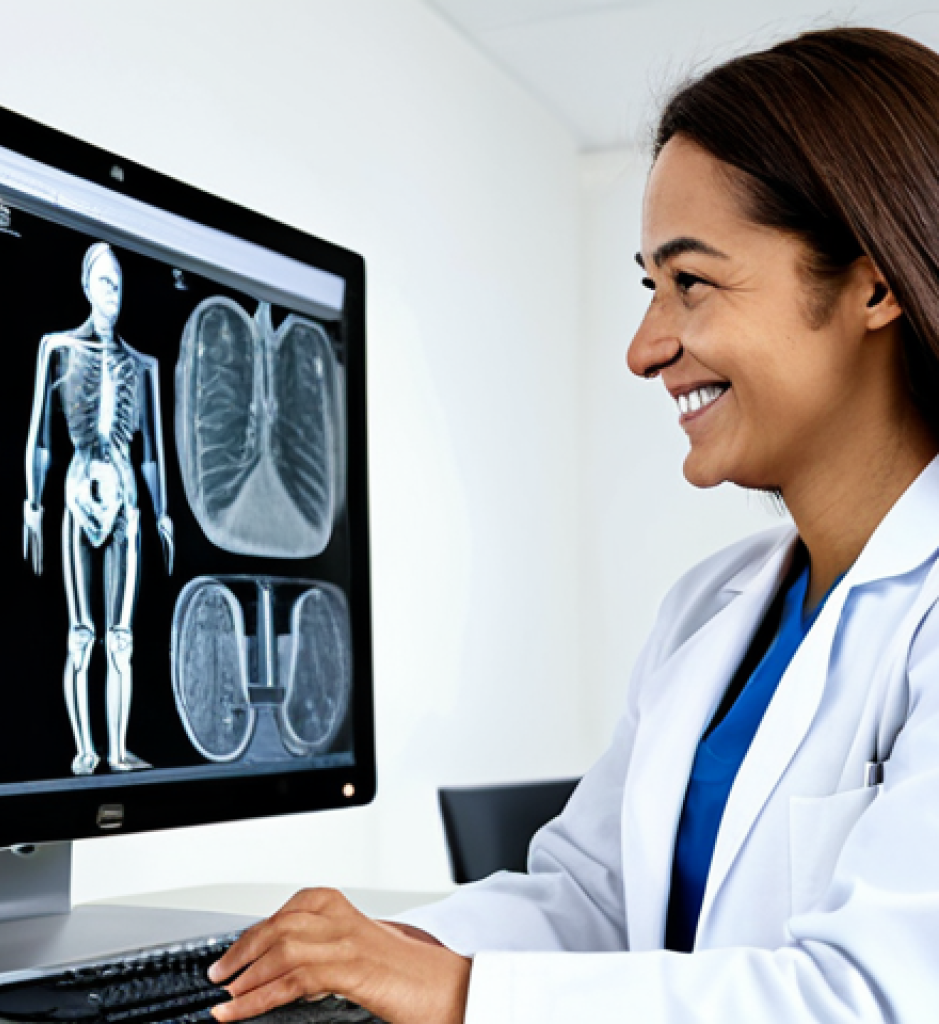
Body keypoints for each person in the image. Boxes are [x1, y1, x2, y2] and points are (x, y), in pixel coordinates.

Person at [207, 27, 939, 1023]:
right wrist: (388, 949)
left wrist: (462, 988)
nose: (643, 349)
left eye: (691, 281)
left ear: (873, 285)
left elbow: (875, 998)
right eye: (649, 286)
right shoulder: (711, 609)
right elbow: (591, 896)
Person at [24, 242, 174, 775]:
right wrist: (32, 502)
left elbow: (152, 453)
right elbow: (41, 439)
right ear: (87, 286)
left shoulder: (143, 366)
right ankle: (85, 751)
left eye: (119, 284)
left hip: (127, 505)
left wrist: (162, 513)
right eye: (105, 283)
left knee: (122, 639)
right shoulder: (58, 349)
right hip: (75, 498)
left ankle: (115, 751)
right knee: (81, 634)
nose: (114, 295)